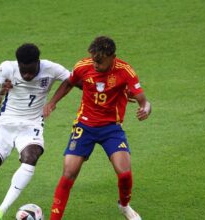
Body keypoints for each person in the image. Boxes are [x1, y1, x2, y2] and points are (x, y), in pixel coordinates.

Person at [44, 36, 151, 220]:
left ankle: (124, 206)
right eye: (93, 59)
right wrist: (52, 102)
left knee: (124, 173)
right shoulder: (83, 66)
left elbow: (144, 101)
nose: (95, 64)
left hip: (112, 129)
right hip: (84, 126)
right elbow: (69, 82)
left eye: (99, 61)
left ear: (112, 57)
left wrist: (145, 110)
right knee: (69, 173)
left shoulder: (125, 71)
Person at [0, 43, 71, 220]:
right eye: (23, 71)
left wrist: (52, 102)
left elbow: (73, 80)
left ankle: (0, 211)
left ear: (38, 63)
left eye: (31, 71)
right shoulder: (8, 67)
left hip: (31, 125)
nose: (26, 75)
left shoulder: (51, 68)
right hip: (6, 125)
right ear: (18, 64)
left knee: (31, 157)